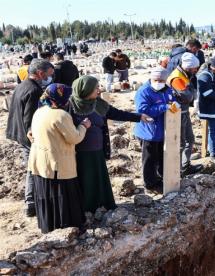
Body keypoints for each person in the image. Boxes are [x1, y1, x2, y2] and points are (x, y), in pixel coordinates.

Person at [68, 76, 151, 212]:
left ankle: (101, 204)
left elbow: (117, 114)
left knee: (99, 179)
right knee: (85, 180)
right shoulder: (70, 106)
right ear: (85, 89)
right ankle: (86, 209)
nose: (99, 90)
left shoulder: (98, 103)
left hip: (98, 151)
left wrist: (138, 117)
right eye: (95, 88)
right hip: (80, 154)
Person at [28, 84, 90, 233]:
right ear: (60, 98)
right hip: (58, 164)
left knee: (46, 195)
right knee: (63, 196)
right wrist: (84, 126)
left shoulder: (40, 111)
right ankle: (66, 227)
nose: (68, 100)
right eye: (67, 97)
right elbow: (74, 138)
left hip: (40, 162)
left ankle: (48, 226)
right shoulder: (61, 115)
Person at [6, 59, 55, 217]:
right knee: (34, 168)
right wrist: (35, 137)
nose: (50, 78)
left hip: (18, 132)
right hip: (28, 137)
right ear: (40, 73)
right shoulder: (34, 91)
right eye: (49, 74)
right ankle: (31, 203)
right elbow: (30, 119)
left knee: (31, 167)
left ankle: (32, 201)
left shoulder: (22, 85)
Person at [134, 67, 179, 193]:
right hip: (148, 132)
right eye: (156, 79)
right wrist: (163, 107)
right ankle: (149, 184)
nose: (158, 82)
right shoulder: (144, 91)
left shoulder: (167, 89)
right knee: (149, 159)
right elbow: (143, 111)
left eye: (161, 80)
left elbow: (172, 100)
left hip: (163, 130)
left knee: (160, 156)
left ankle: (159, 178)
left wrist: (174, 105)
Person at [166, 53, 204, 176]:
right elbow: (187, 96)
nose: (196, 70)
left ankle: (184, 166)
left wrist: (191, 92)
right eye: (194, 68)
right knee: (181, 142)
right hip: (178, 114)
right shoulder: (177, 78)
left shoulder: (183, 75)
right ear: (188, 67)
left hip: (183, 112)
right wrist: (191, 93)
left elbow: (189, 94)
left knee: (189, 139)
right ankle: (177, 170)